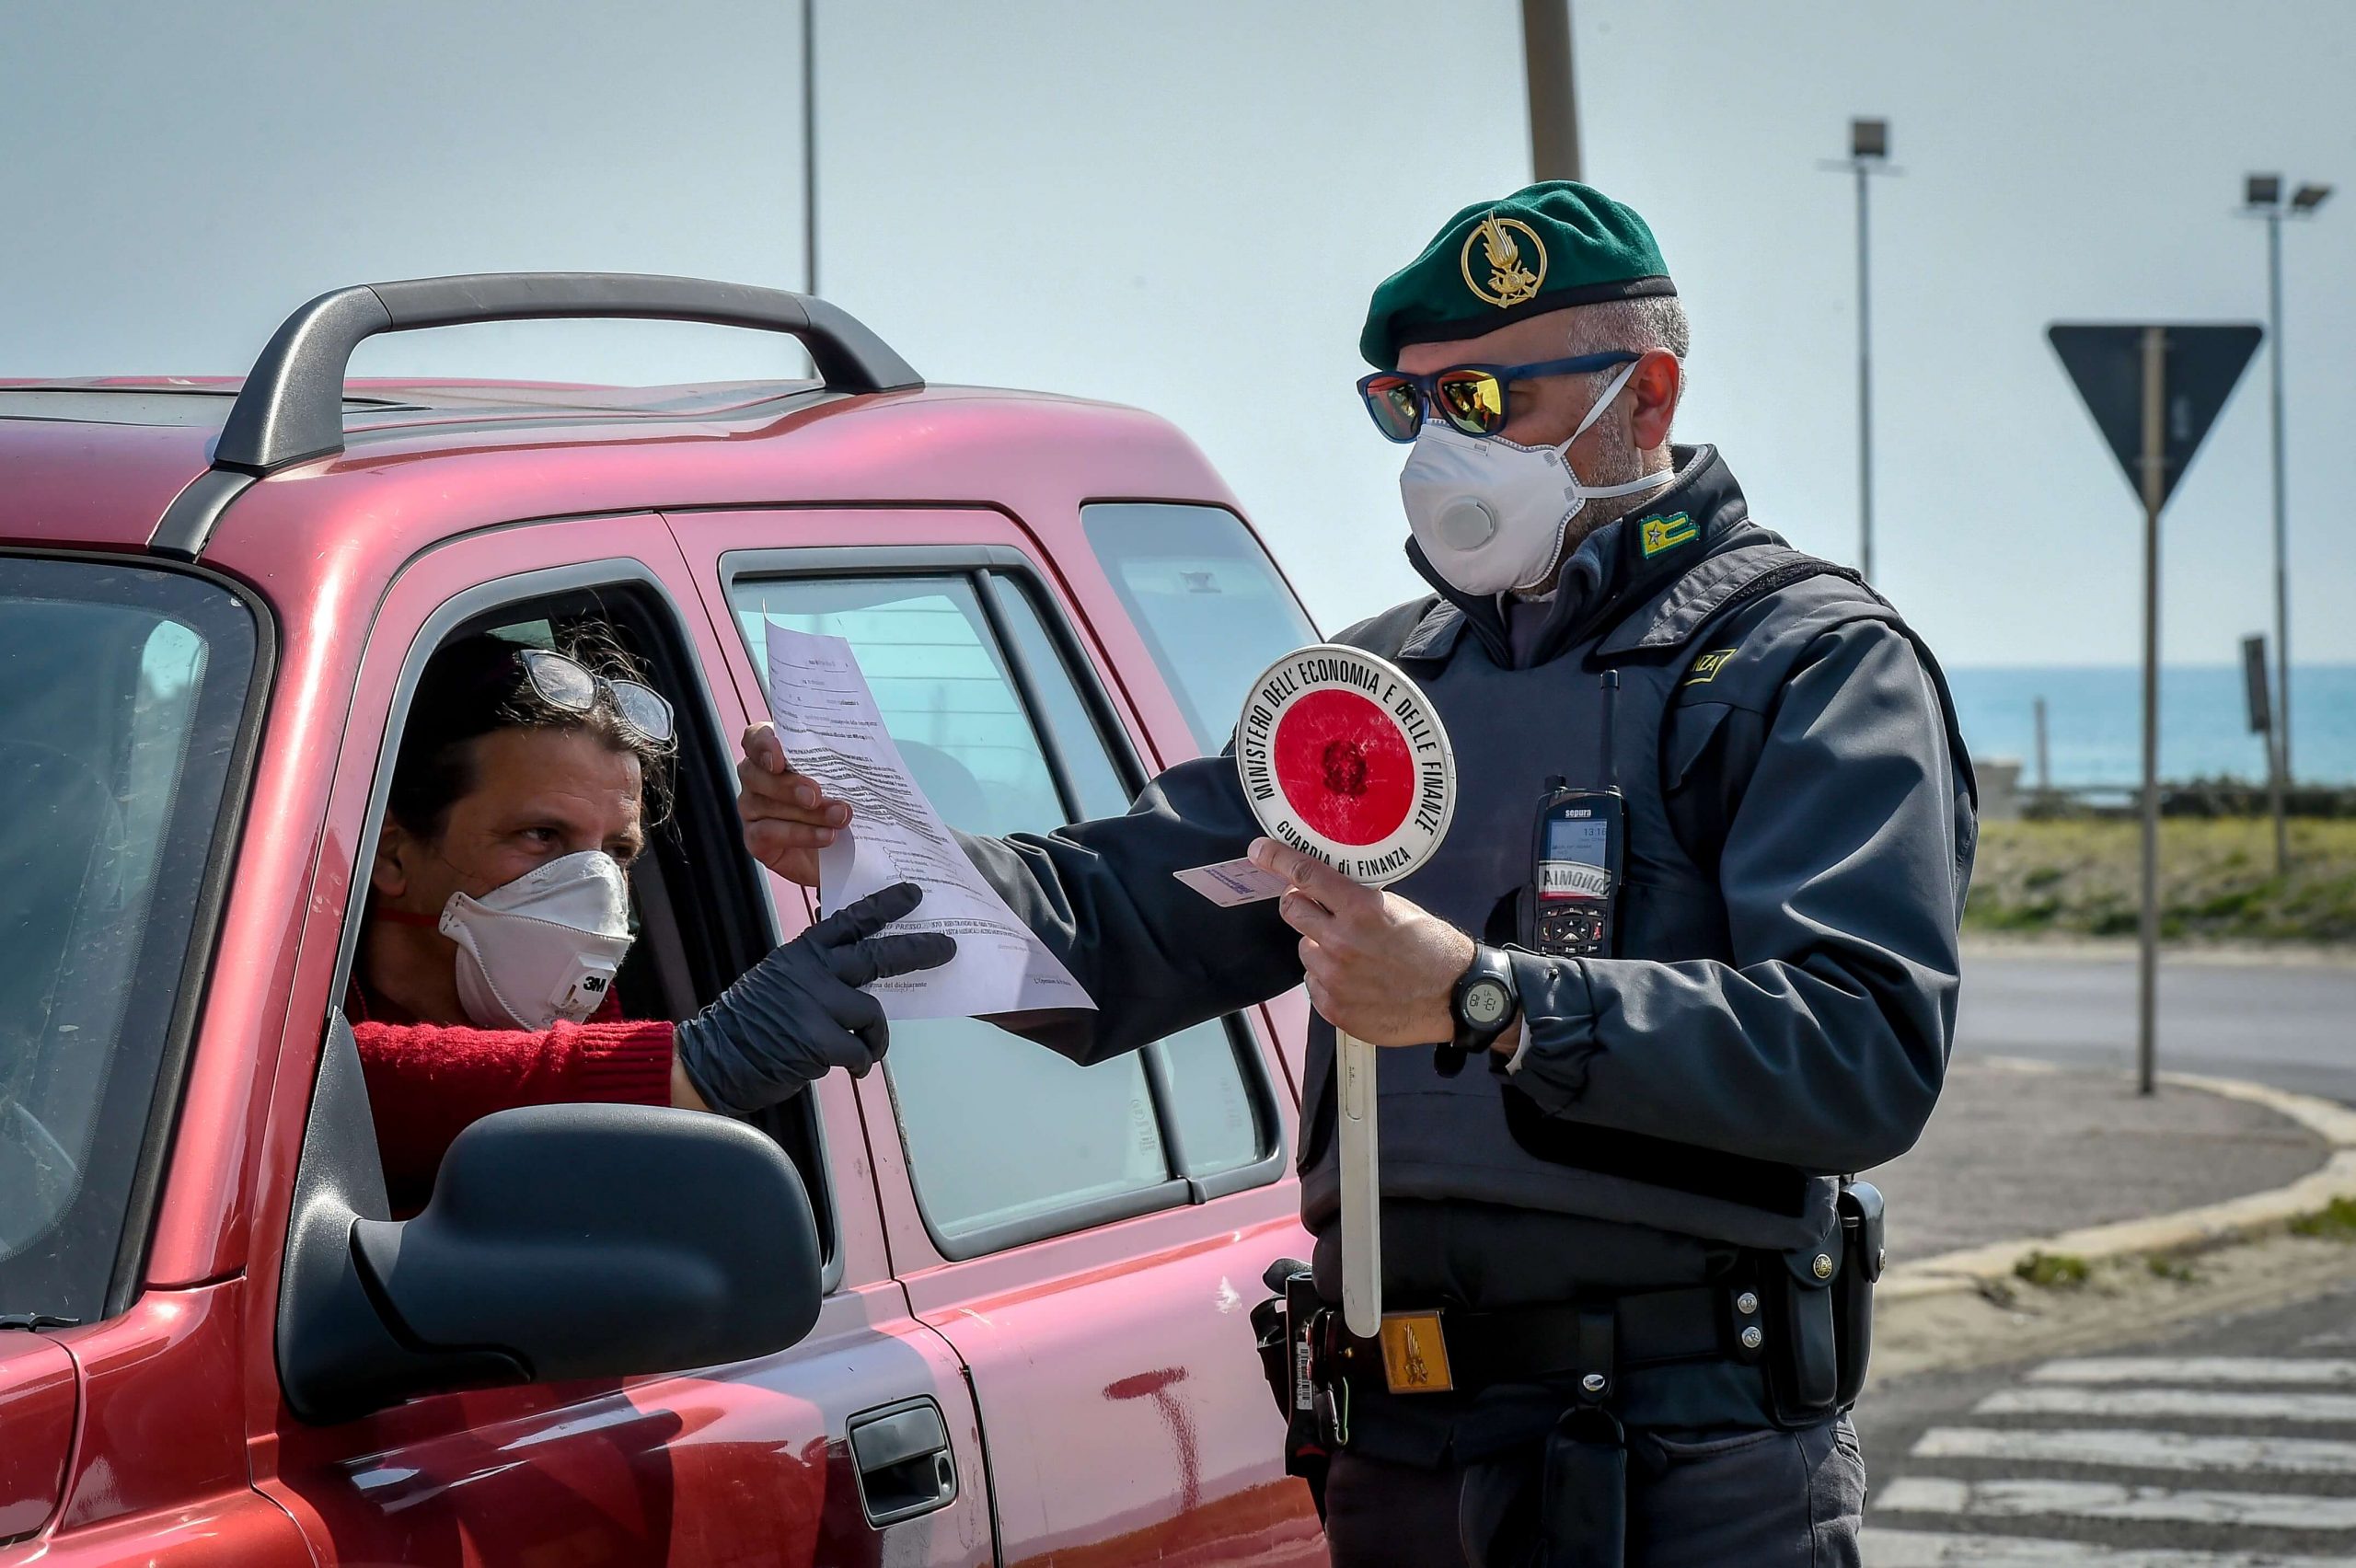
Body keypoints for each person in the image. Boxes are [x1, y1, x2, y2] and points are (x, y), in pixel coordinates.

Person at [739, 181, 1975, 1567]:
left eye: (1491, 398)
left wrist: (1492, 1001)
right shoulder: (1386, 681)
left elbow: (1862, 1048)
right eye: (1413, 404)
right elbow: (1125, 918)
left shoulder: (1799, 664)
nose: (1445, 443)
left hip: (1685, 1460)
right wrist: (881, 844)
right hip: (1399, 1455)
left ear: (1650, 395)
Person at [355, 629, 953, 1212]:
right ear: (392, 854)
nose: (589, 890)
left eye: (616, 854)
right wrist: (700, 1062)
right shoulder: (281, 1036)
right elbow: (348, 1089)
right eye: (540, 836)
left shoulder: (597, 1012)